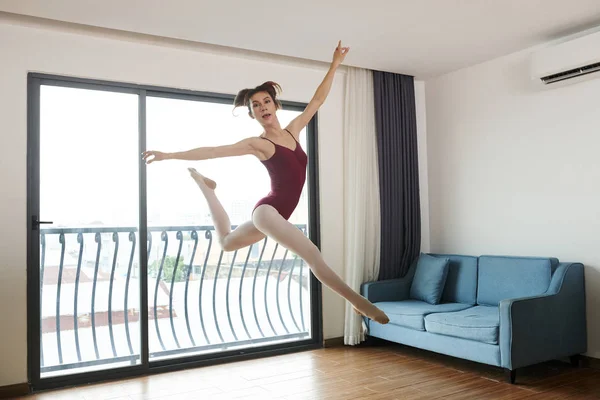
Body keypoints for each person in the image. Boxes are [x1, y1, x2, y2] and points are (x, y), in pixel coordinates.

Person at [142, 41, 389, 325]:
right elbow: (212, 151)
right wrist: (169, 155)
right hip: (267, 212)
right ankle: (358, 303)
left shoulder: (294, 131)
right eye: (256, 106)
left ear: (275, 105)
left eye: (266, 102)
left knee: (225, 243)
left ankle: (205, 187)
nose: (262, 108)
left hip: (276, 216)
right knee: (313, 255)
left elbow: (317, 101)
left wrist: (335, 64)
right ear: (253, 114)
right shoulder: (257, 143)